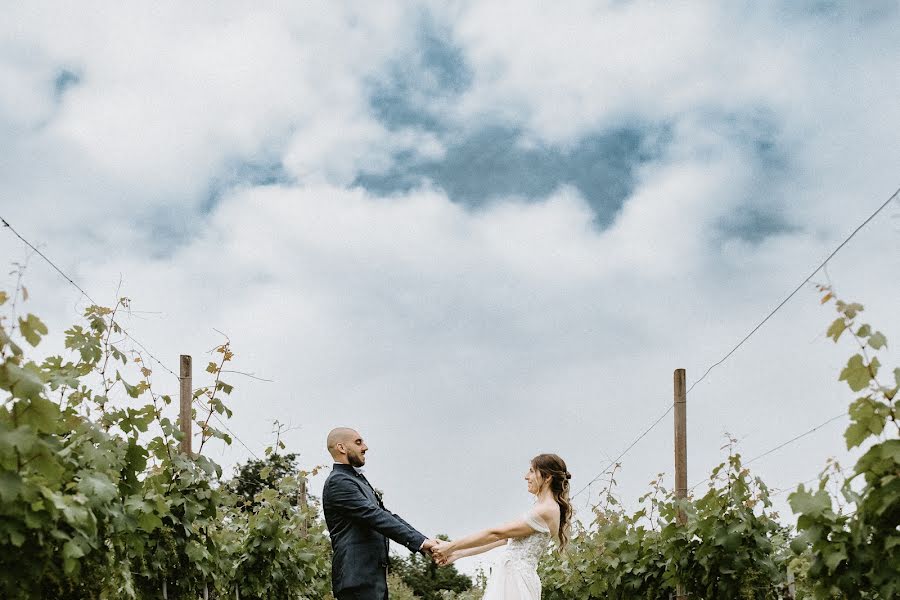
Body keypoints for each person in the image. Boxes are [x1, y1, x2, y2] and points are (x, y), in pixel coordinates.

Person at [431, 454, 572, 600]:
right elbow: (504, 540)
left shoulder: (546, 510)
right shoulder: (542, 508)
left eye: (531, 471)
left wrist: (450, 546)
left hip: (516, 582)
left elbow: (496, 533)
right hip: (513, 578)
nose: (526, 476)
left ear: (547, 476)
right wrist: (457, 553)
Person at [322, 427, 438, 600]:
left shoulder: (356, 480)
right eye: (358, 442)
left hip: (372, 581)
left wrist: (425, 541)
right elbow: (375, 517)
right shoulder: (338, 482)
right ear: (342, 448)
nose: (365, 447)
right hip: (356, 582)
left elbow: (386, 514)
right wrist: (421, 543)